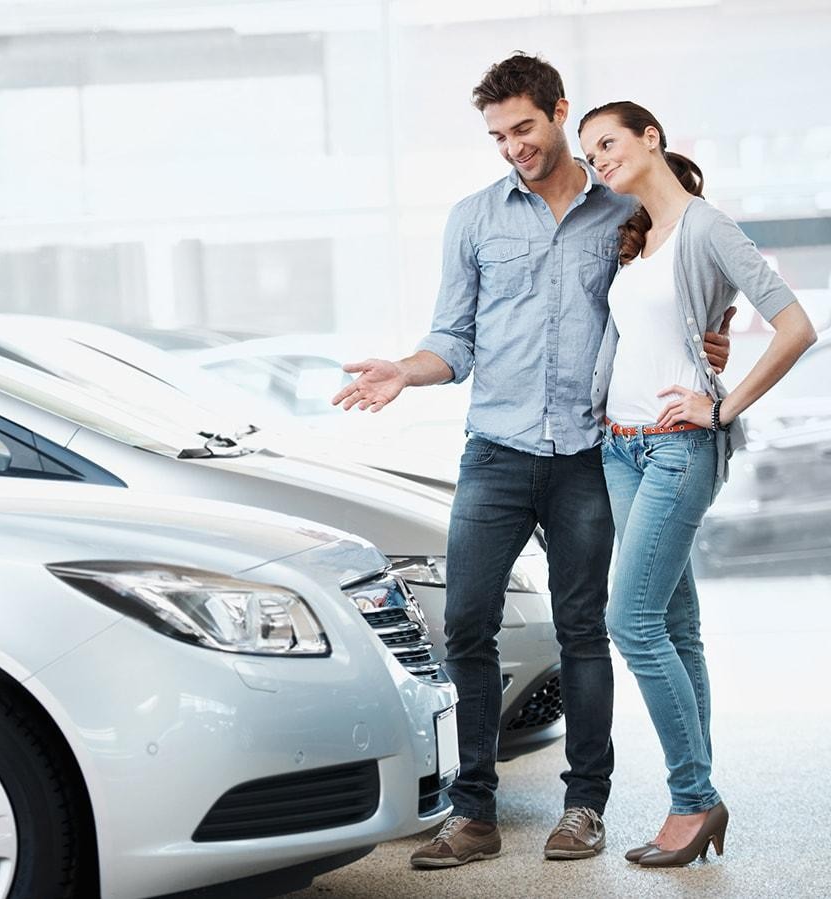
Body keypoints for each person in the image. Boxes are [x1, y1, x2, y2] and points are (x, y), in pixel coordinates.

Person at [329, 53, 734, 868]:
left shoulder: (622, 206)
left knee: (586, 629)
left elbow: (679, 292)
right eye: (497, 135)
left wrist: (707, 342)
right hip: (497, 452)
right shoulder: (474, 219)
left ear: (559, 112)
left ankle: (584, 806)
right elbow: (454, 338)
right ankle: (471, 812)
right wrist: (405, 371)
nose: (512, 145)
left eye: (524, 127)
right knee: (468, 624)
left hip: (592, 453)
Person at [575, 101, 816, 867]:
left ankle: (693, 799)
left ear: (652, 138)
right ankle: (698, 791)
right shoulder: (639, 240)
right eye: (591, 153)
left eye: (608, 143)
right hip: (622, 448)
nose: (599, 160)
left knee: (631, 621)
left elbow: (796, 326)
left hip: (680, 448)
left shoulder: (707, 227)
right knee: (675, 625)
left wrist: (723, 404)